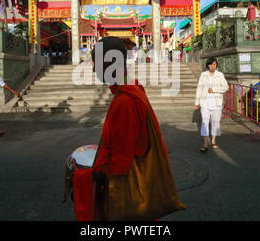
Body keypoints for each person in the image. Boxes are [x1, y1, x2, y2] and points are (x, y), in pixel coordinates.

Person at [71, 36, 183, 221]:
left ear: (111, 62)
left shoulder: (125, 101)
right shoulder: (132, 87)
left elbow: (119, 166)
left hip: (125, 199)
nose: (92, 68)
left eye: (96, 62)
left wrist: (83, 174)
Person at [194, 57, 229, 152]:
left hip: (217, 103)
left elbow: (226, 87)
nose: (212, 66)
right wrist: (197, 102)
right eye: (210, 64)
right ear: (207, 65)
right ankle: (205, 143)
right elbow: (199, 89)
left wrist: (214, 90)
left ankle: (213, 141)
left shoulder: (220, 75)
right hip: (205, 103)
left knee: (215, 122)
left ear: (216, 65)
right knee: (204, 123)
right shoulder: (203, 75)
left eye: (214, 64)